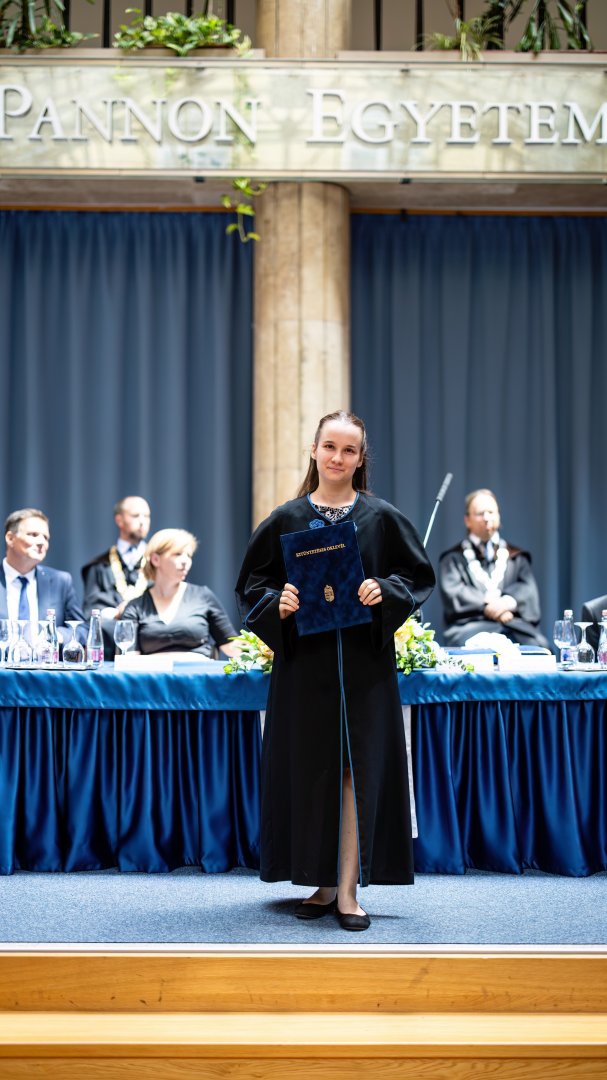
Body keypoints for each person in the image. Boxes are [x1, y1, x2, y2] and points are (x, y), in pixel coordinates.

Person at [235, 410, 435, 932]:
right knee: (313, 771)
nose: (338, 458)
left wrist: (383, 590)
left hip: (365, 670)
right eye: (330, 447)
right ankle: (321, 882)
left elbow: (417, 577)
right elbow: (251, 588)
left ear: (361, 458)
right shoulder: (285, 519)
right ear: (314, 450)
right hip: (305, 670)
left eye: (349, 450)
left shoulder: (382, 518)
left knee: (353, 772)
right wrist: (278, 603)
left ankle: (347, 891)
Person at [438, 488, 549, 648]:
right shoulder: (453, 559)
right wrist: (488, 605)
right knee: (477, 650)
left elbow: (527, 589)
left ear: (498, 516)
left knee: (540, 647)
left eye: (491, 512)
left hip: (512, 624)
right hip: (470, 628)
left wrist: (505, 603)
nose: (486, 518)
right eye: (480, 513)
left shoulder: (516, 556)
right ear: (467, 520)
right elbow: (455, 593)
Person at [121, 528, 238, 658]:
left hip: (199, 670)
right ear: (155, 559)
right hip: (154, 672)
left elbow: (232, 647)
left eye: (189, 556)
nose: (185, 561)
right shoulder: (135, 607)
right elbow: (129, 659)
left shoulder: (203, 596)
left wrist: (255, 650)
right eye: (177, 554)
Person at [81, 496, 151, 658]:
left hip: (151, 644)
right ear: (119, 520)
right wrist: (115, 613)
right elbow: (91, 610)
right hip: (111, 647)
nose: (142, 521)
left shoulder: (158, 564)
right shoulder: (99, 566)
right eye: (135, 515)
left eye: (146, 516)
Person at [0, 508, 84, 633]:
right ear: (10, 538)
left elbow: (82, 629)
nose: (41, 542)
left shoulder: (60, 581)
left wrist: (58, 636)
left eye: (45, 537)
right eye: (33, 535)